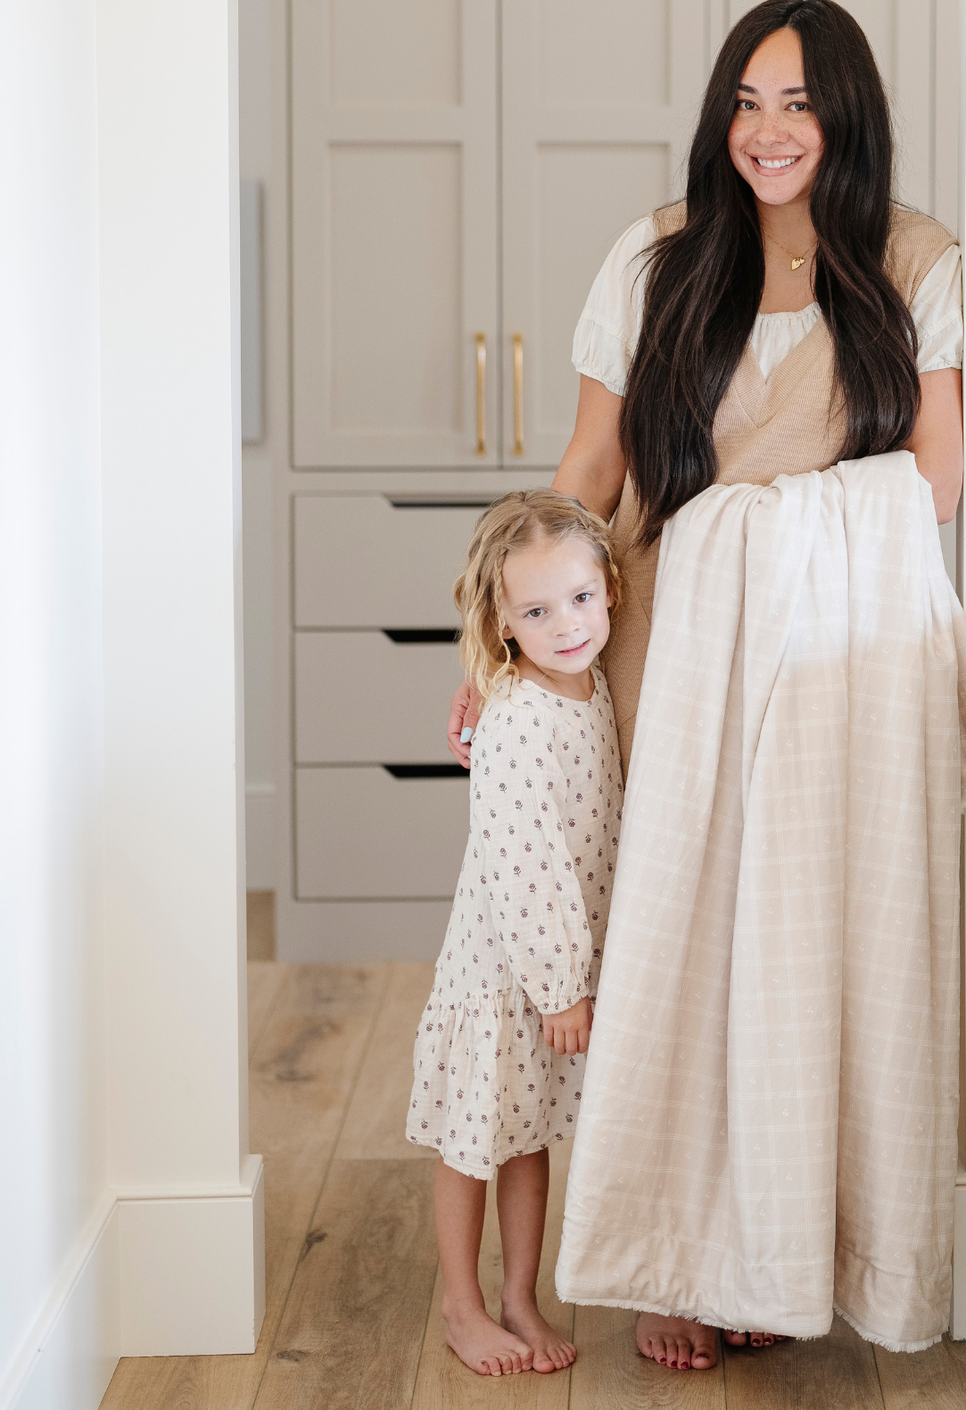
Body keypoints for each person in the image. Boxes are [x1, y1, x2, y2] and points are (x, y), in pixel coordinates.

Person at [449, 0, 966, 1371]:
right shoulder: (659, 258)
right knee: (673, 963)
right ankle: (679, 1257)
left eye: (797, 103)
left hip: (828, 673)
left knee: (792, 972)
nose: (766, 131)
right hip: (659, 655)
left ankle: (778, 1251)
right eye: (746, 101)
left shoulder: (912, 263)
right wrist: (492, 641)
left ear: (845, 113)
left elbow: (936, 481)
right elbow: (589, 473)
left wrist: (775, 533)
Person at [411, 490, 623, 1377]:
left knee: (526, 1136)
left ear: (609, 586)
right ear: (502, 621)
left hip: (547, 974)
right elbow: (524, 862)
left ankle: (520, 1298)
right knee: (475, 1139)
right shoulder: (516, 721)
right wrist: (562, 984)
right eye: (536, 611)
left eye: (578, 598)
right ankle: (462, 1305)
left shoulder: (594, 682)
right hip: (507, 974)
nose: (566, 623)